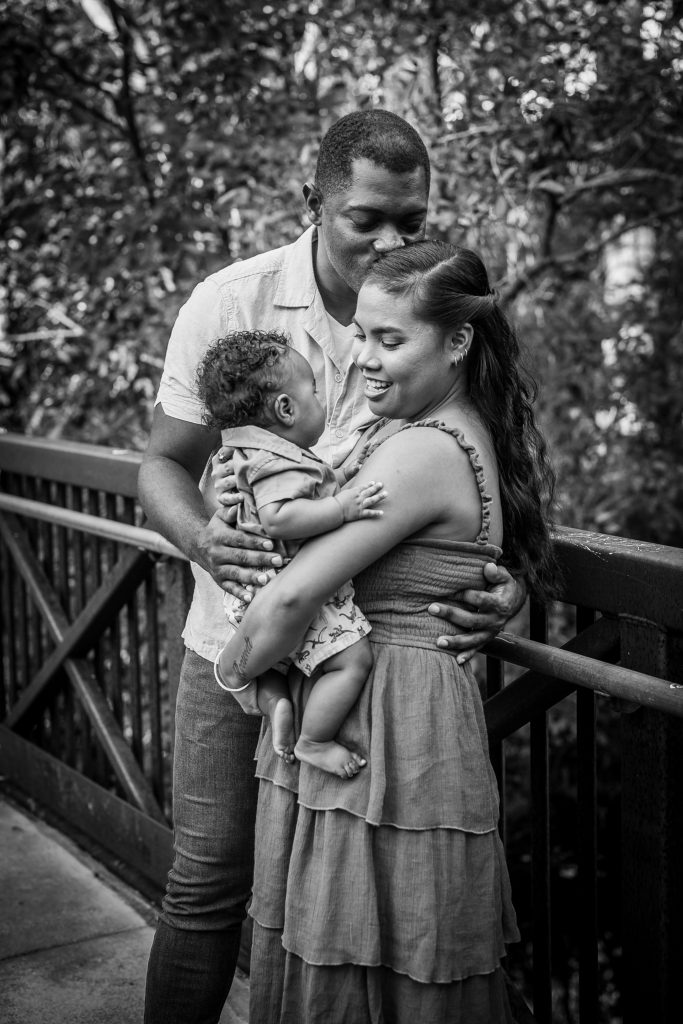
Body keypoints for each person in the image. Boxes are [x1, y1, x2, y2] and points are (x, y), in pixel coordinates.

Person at [139, 109, 527, 1023]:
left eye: (410, 221)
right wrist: (202, 538)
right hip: (236, 637)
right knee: (206, 884)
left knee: (327, 903)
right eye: (366, 219)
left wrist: (496, 579)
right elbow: (159, 463)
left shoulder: (429, 310)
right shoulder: (229, 303)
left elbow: (461, 483)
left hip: (364, 667)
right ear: (311, 202)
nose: (390, 241)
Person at [216, 240, 557, 1023]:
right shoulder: (414, 426)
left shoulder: (423, 450)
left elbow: (289, 601)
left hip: (389, 728)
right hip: (380, 709)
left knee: (381, 954)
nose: (364, 359)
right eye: (361, 335)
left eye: (389, 340)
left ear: (457, 340)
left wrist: (236, 670)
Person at [196, 328, 386, 777]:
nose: (320, 400)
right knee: (352, 662)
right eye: (314, 392)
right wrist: (342, 508)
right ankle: (315, 741)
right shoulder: (276, 463)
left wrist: (345, 475)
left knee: (272, 673)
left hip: (255, 602)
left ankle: (277, 704)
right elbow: (280, 516)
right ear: (286, 409)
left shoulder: (253, 455)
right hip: (287, 594)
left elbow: (310, 487)